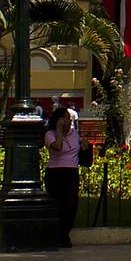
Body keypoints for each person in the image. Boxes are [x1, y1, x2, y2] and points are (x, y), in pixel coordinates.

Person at [44, 106, 92, 248]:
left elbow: (79, 149)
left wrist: (84, 146)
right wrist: (59, 130)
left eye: (69, 118)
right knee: (57, 204)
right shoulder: (50, 134)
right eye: (64, 118)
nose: (67, 121)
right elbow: (58, 147)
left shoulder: (74, 134)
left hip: (71, 172)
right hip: (55, 172)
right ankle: (56, 235)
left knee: (71, 205)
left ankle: (65, 233)